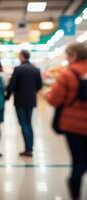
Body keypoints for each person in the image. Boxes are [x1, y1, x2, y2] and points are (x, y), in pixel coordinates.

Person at [45, 43, 87, 200]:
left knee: (78, 160)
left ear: (74, 56)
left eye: (68, 56)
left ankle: (75, 191)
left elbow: (54, 100)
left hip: (72, 125)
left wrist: (48, 95)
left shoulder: (67, 74)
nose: (66, 59)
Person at [6, 50, 43, 157]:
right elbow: (40, 85)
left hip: (20, 101)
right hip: (31, 100)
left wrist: (7, 97)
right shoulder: (36, 69)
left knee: (23, 124)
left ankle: (28, 149)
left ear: (22, 56)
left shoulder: (18, 69)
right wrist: (32, 92)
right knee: (29, 123)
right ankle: (30, 147)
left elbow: (12, 85)